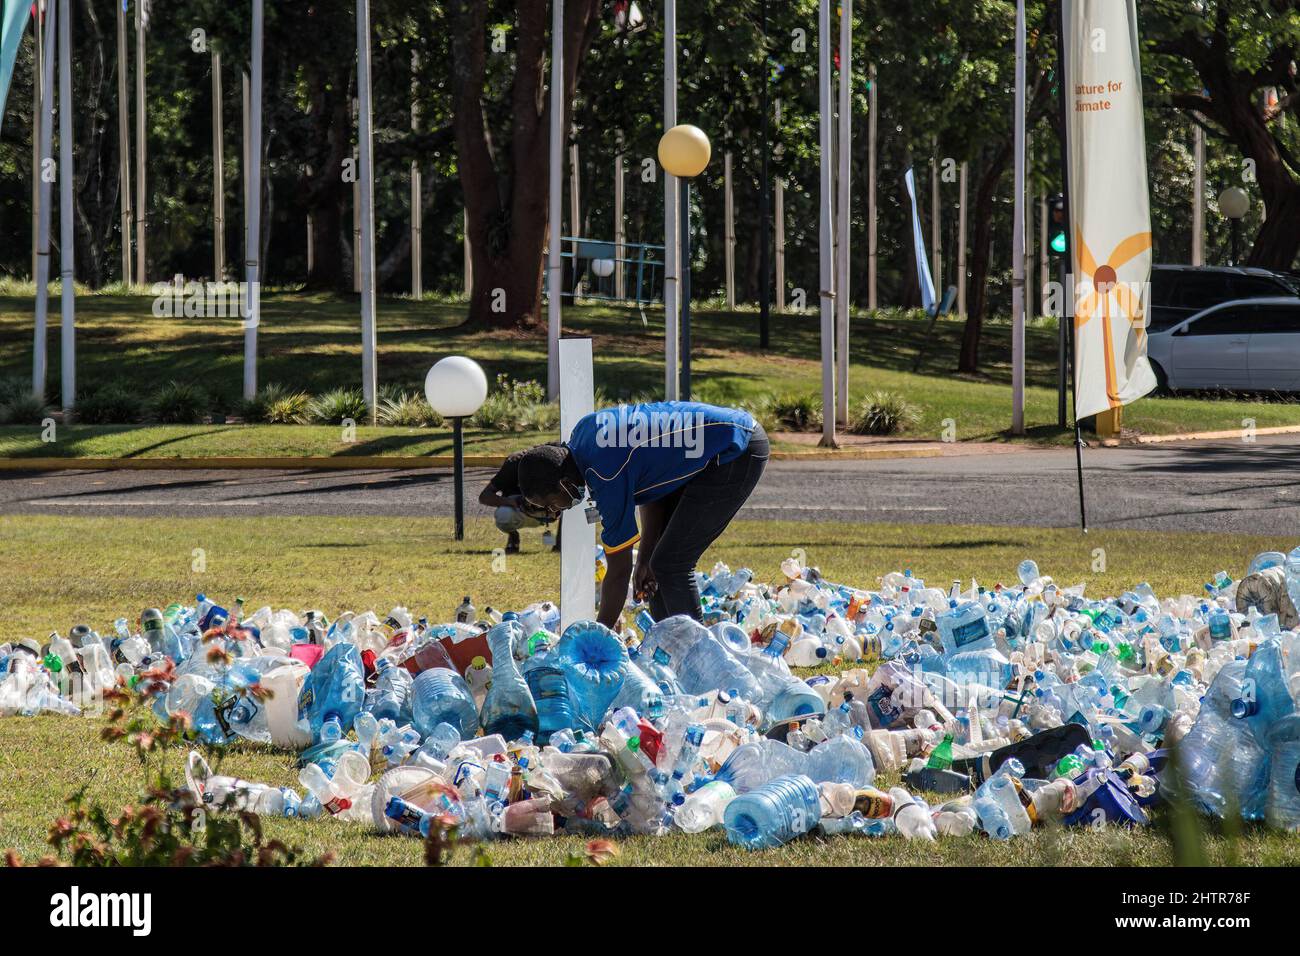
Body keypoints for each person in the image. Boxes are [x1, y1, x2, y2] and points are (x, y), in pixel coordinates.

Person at [514, 401, 768, 629]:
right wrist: (645, 558)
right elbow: (653, 490)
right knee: (658, 566)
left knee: (673, 564)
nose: (553, 512)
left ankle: (700, 655)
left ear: (565, 484)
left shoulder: (604, 474)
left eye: (549, 504)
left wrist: (601, 632)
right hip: (716, 443)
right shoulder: (582, 436)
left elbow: (619, 571)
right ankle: (667, 648)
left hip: (736, 448)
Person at [478, 446, 561, 554]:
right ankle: (513, 536)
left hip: (550, 511)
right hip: (521, 511)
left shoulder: (558, 460)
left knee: (574, 502)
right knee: (503, 514)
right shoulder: (513, 463)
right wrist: (515, 502)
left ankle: (560, 545)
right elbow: (484, 496)